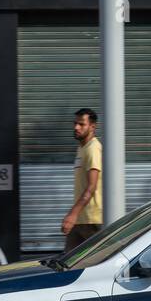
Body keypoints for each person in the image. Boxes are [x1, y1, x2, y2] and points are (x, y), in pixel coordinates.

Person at [62, 108, 102, 252]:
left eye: (81, 124)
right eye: (75, 123)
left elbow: (91, 187)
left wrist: (72, 214)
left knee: (96, 262)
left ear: (92, 126)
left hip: (93, 220)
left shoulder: (93, 148)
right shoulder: (82, 148)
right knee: (68, 262)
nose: (76, 127)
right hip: (81, 219)